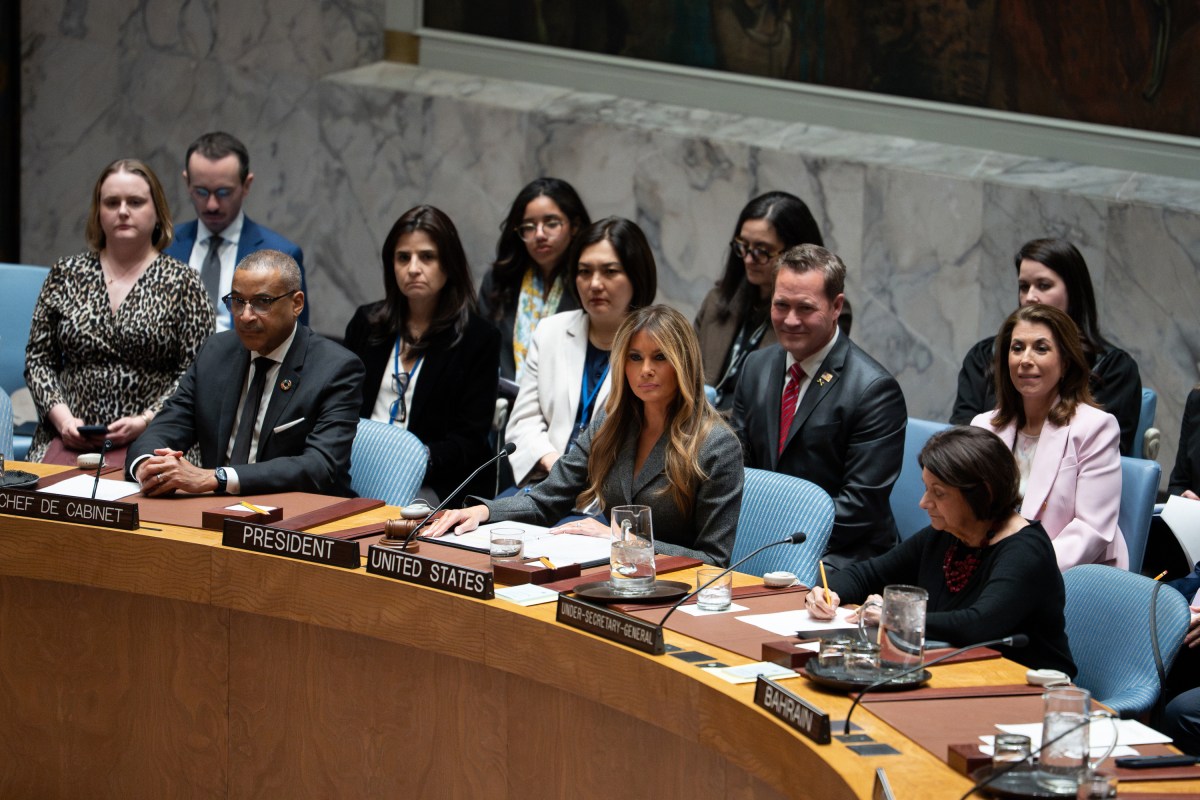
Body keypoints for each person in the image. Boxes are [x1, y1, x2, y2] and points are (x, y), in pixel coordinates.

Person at [426, 305, 743, 566]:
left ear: (683, 363)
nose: (645, 369)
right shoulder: (611, 422)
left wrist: (623, 541)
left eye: (660, 357)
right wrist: (484, 511)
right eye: (635, 357)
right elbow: (546, 501)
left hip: (674, 589)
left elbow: (714, 560)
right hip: (610, 577)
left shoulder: (717, 446)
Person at [804, 426, 1076, 676]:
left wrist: (895, 617)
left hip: (1027, 688)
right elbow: (867, 574)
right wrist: (827, 594)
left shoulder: (1024, 552)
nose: (924, 503)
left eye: (939, 493)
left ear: (983, 493)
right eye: (925, 489)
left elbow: (978, 625)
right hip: (956, 672)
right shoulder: (947, 534)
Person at [126, 250, 364, 497]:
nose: (246, 316)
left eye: (263, 302)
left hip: (301, 516)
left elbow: (319, 467)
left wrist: (216, 478)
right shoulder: (216, 352)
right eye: (238, 301)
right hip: (215, 510)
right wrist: (148, 465)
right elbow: (168, 424)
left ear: (297, 304)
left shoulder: (336, 368)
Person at [24, 158, 214, 464]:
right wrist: (63, 420)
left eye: (135, 202)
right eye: (112, 202)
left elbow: (196, 372)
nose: (123, 211)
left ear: (157, 212)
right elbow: (38, 361)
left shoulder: (184, 282)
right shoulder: (65, 273)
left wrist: (146, 420)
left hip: (156, 439)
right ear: (98, 212)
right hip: (70, 436)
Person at [730, 244, 906, 570]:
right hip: (759, 541)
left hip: (838, 552)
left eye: (806, 308)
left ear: (836, 306)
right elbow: (736, 467)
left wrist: (772, 537)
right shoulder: (755, 367)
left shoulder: (874, 391)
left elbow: (861, 506)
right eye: (781, 305)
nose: (791, 320)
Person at [343, 205, 500, 504]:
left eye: (427, 257)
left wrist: (407, 461)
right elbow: (339, 408)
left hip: (431, 480)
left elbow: (469, 440)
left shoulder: (478, 339)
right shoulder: (366, 323)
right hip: (355, 469)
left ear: (449, 264)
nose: (413, 268)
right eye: (403, 257)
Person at [970, 303, 1127, 571]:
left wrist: (1019, 570)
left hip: (1066, 573)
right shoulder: (984, 426)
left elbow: (1090, 530)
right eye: (1017, 348)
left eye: (1041, 348)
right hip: (992, 568)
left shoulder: (1095, 428)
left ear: (1065, 363)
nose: (1025, 359)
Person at [951, 238, 1141, 455]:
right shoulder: (986, 355)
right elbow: (961, 438)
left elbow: (1106, 453)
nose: (1030, 297)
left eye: (1043, 285)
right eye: (1024, 287)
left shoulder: (1113, 368)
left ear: (1073, 292)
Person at [506, 216, 658, 487]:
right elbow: (523, 422)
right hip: (545, 483)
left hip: (609, 495)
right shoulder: (550, 331)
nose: (595, 284)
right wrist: (554, 465)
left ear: (637, 276)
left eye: (610, 271)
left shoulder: (658, 345)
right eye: (584, 272)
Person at [165, 131, 309, 331]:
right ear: (187, 183)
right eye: (201, 192)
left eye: (224, 192)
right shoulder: (163, 246)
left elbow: (295, 341)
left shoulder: (282, 255)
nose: (212, 205)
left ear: (246, 185)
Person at [694, 191, 823, 410]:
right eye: (742, 246)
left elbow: (795, 398)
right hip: (697, 430)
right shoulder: (718, 300)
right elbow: (685, 371)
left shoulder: (818, 313)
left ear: (797, 253)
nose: (748, 259)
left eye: (762, 251)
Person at [478, 178, 591, 381]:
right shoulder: (499, 281)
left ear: (574, 226)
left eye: (551, 223)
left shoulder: (588, 283)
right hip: (502, 405)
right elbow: (479, 354)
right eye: (529, 226)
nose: (539, 234)